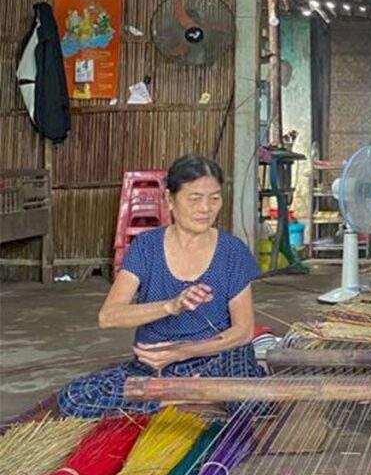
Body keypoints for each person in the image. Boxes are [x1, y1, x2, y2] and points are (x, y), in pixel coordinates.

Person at [58, 155, 265, 417]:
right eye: (194, 198)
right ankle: (187, 398)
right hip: (156, 367)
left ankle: (175, 399)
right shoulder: (147, 247)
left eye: (214, 198)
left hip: (217, 361)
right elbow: (109, 316)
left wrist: (182, 351)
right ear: (169, 199)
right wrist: (171, 305)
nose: (206, 208)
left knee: (253, 402)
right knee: (75, 398)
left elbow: (243, 331)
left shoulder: (232, 251)